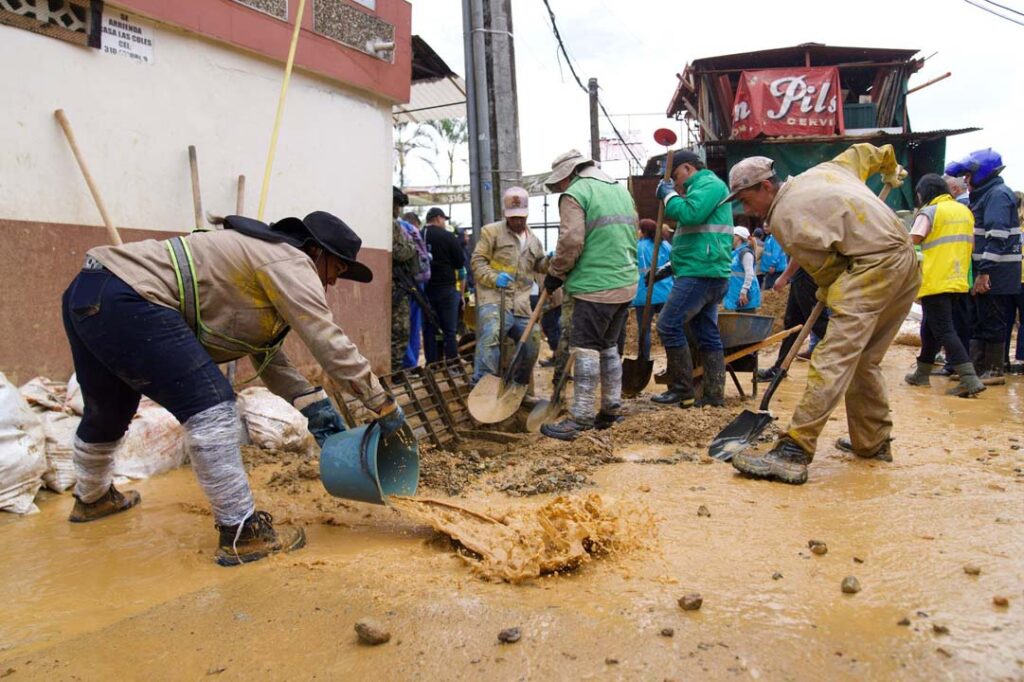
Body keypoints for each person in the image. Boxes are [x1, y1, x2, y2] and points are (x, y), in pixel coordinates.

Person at [61, 211, 406, 565]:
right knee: (211, 406)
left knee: (108, 411)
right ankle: (242, 533)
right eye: (337, 270)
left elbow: (267, 357)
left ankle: (93, 497)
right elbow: (327, 340)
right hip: (130, 297)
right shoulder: (290, 260)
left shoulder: (258, 257)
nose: (333, 283)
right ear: (318, 253)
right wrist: (382, 403)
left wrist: (313, 407)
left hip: (89, 289)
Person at [725, 144, 920, 485]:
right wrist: (890, 169)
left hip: (872, 266)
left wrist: (826, 290)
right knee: (865, 358)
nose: (746, 208)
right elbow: (868, 152)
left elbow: (829, 273)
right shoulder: (826, 172)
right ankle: (873, 442)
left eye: (745, 199)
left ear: (766, 187)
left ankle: (794, 451)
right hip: (904, 261)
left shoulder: (786, 218)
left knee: (833, 355)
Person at [539, 149, 638, 440]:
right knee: (608, 347)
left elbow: (571, 241)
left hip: (595, 285)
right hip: (625, 282)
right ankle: (611, 409)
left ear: (568, 175)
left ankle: (580, 417)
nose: (559, 188)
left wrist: (555, 273)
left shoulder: (576, 193)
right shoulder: (618, 189)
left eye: (558, 183)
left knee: (584, 347)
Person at [651, 149, 733, 408]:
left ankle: (682, 389)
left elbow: (690, 214)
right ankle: (713, 395)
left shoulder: (709, 184)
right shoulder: (700, 190)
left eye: (675, 176)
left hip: (701, 272)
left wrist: (669, 196)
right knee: (706, 333)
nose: (674, 183)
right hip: (703, 270)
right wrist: (669, 267)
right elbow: (692, 235)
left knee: (668, 324)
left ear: (688, 168)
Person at [903, 174, 984, 396]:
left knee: (945, 330)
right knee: (929, 327)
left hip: (936, 280)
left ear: (925, 192)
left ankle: (969, 379)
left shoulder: (929, 211)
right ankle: (922, 373)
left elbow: (912, 240)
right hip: (958, 280)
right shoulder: (964, 211)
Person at [945, 149, 1022, 384]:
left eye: (968, 175)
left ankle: (994, 370)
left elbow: (996, 236)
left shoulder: (997, 195)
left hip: (996, 273)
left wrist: (985, 271)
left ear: (982, 173)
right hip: (986, 271)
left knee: (993, 320)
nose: (965, 180)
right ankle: (978, 368)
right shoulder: (987, 194)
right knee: (979, 320)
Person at [469, 187, 548, 385]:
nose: (518, 221)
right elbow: (477, 261)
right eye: (514, 218)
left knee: (532, 341)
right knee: (491, 332)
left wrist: (550, 262)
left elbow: (538, 265)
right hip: (495, 299)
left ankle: (517, 386)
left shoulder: (534, 241)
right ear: (506, 215)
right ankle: (483, 385)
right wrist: (494, 278)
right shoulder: (491, 233)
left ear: (527, 214)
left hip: (521, 304)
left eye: (521, 217)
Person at [617, 218, 672, 357]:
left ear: (643, 231)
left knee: (645, 329)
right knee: (670, 329)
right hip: (666, 292)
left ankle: (644, 359)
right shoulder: (665, 245)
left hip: (645, 293)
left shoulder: (637, 246)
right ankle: (673, 360)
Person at [422, 207, 466, 363]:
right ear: (438, 218)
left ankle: (432, 363)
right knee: (449, 330)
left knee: (430, 329)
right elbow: (460, 262)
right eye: (443, 220)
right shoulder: (448, 237)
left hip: (425, 290)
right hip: (447, 289)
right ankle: (452, 363)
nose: (444, 223)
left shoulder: (420, 236)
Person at [391, 188, 421, 371]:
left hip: (398, 283)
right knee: (401, 329)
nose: (399, 210)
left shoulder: (395, 224)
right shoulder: (392, 225)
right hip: (395, 285)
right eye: (397, 205)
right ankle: (395, 369)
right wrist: (412, 247)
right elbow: (401, 252)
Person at [399, 211, 431, 369]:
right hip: (419, 281)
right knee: (414, 323)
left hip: (404, 282)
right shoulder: (412, 230)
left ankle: (408, 362)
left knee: (404, 324)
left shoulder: (401, 227)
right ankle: (412, 362)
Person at [723, 226, 761, 312]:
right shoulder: (736, 253)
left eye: (732, 236)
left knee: (745, 323)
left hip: (744, 297)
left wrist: (744, 292)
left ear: (738, 237)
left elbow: (749, 274)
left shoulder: (746, 253)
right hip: (736, 295)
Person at [759, 225, 788, 289]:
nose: (765, 228)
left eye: (767, 226)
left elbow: (776, 253)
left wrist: (773, 265)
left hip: (775, 270)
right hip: (770, 269)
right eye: (763, 226)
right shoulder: (768, 238)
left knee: (771, 290)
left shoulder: (775, 238)